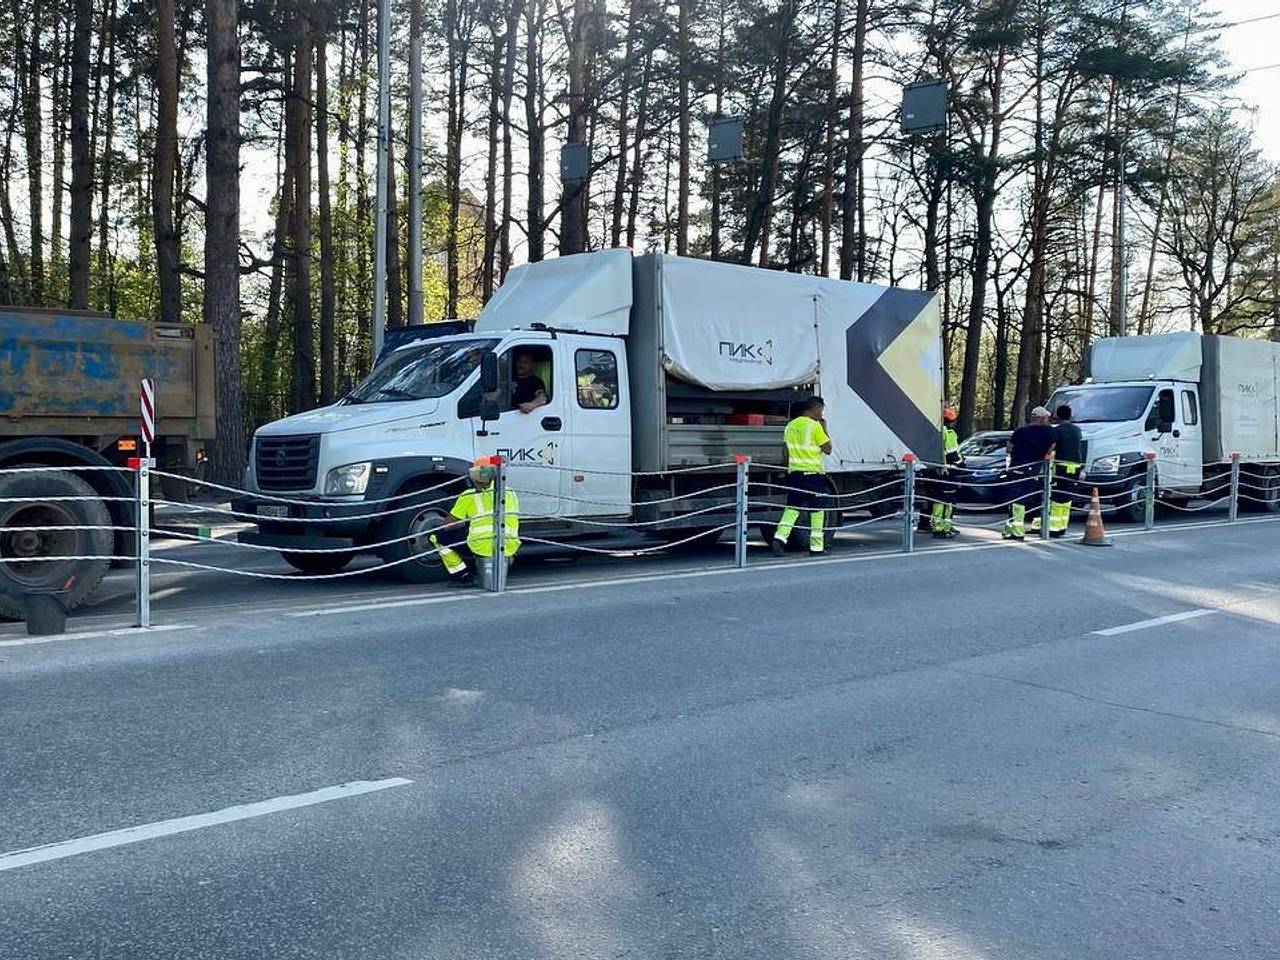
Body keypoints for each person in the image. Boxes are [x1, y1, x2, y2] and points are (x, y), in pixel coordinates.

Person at [430, 459, 520, 586]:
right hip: (509, 545)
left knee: (436, 536)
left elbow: (449, 525)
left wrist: (441, 524)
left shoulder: (469, 495)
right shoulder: (511, 493)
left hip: (481, 546)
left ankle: (462, 575)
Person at [772, 396, 833, 557]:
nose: (821, 413)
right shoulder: (815, 426)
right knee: (817, 511)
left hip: (795, 474)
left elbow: (785, 453)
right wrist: (825, 428)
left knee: (792, 508)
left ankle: (779, 538)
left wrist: (790, 467)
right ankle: (816, 548)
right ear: (812, 408)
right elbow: (828, 449)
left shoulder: (790, 425)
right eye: (820, 409)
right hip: (813, 475)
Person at [1003, 406, 1056, 540]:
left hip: (1017, 468)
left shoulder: (1020, 432)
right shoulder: (1050, 432)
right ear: (1043, 418)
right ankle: (1022, 528)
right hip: (1035, 471)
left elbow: (1009, 449)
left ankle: (1013, 529)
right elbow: (1052, 448)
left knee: (1015, 499)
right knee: (1031, 498)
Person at [1049, 404, 1085, 537]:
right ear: (1070, 415)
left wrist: (1046, 457)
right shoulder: (1077, 430)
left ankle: (1054, 528)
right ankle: (1063, 526)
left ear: (1057, 415)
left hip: (1062, 466)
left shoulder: (1057, 430)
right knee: (1067, 497)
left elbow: (1052, 447)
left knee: (1057, 497)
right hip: (1075, 466)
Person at [929, 406, 964, 538]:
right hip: (949, 472)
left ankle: (937, 525)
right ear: (951, 421)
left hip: (937, 471)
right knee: (948, 500)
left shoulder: (934, 432)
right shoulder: (948, 433)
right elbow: (952, 454)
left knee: (938, 500)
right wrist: (962, 464)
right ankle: (944, 527)